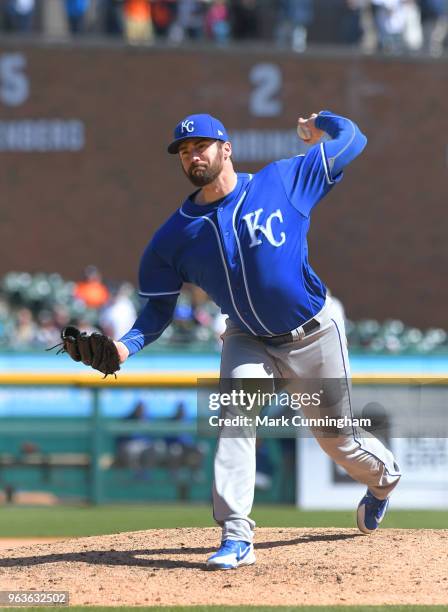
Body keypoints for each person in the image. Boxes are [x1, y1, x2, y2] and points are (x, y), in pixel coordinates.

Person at [109, 111, 400, 570]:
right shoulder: (174, 237)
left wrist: (320, 122)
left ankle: (383, 480)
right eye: (184, 151)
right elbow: (157, 310)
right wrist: (124, 346)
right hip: (247, 338)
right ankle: (235, 534)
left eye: (201, 145)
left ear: (226, 149)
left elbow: (354, 138)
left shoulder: (282, 180)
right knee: (235, 418)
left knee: (336, 440)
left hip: (314, 331)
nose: (192, 155)